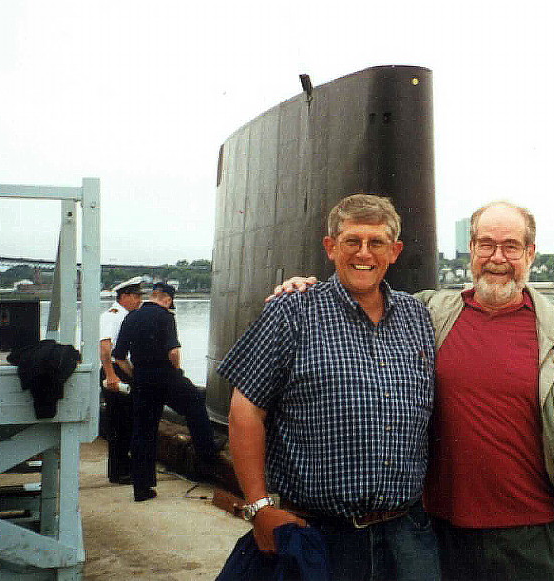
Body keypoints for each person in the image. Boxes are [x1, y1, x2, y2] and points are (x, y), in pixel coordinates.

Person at [272, 200, 554, 580]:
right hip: (440, 528)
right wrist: (306, 290)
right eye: (486, 244)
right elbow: (362, 300)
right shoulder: (428, 313)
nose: (497, 258)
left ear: (530, 253)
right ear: (471, 250)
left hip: (534, 531)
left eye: (511, 246)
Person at [219, 194, 441, 581]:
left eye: (376, 243)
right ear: (330, 247)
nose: (364, 253)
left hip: (407, 536)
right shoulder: (292, 310)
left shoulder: (419, 316)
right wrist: (258, 506)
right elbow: (245, 411)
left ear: (395, 251)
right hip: (321, 536)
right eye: (352, 241)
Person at [113, 282, 218, 502]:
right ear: (168, 300)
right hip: (166, 376)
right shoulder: (166, 316)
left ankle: (142, 488)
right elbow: (173, 351)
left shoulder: (130, 317)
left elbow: (119, 357)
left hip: (142, 380)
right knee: (195, 404)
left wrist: (135, 376)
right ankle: (208, 456)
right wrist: (176, 370)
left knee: (143, 431)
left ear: (152, 296)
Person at [98, 276, 143, 484]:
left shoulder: (128, 315)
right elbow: (105, 347)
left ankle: (124, 468)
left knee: (127, 423)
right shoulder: (113, 316)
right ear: (124, 296)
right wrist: (110, 375)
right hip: (115, 372)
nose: (139, 300)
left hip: (122, 370)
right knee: (119, 424)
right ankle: (119, 472)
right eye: (136, 296)